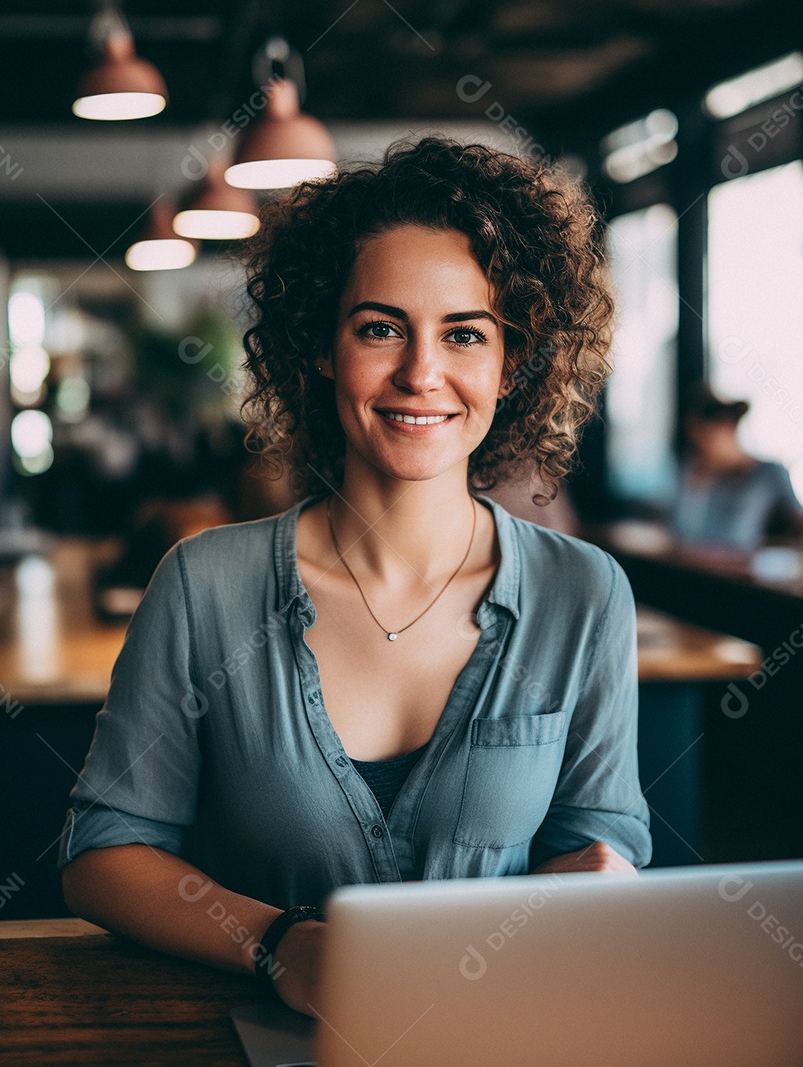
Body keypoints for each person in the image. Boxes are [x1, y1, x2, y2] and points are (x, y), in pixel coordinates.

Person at [60, 136, 651, 1017]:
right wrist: (275, 943)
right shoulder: (204, 584)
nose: (421, 373)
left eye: (465, 334)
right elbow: (104, 852)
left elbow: (602, 842)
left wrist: (610, 872)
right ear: (321, 347)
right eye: (380, 328)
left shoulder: (585, 593)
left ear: (511, 363)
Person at [671, 384, 803, 553]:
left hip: (741, 574)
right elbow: (682, 532)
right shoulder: (696, 473)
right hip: (694, 569)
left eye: (705, 439)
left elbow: (798, 523)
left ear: (727, 427)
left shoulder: (769, 473)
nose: (699, 449)